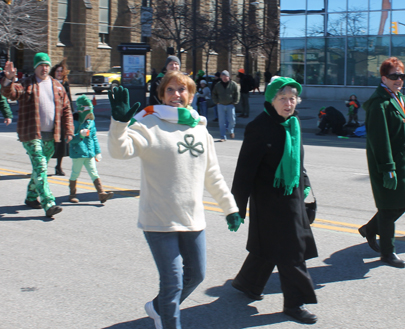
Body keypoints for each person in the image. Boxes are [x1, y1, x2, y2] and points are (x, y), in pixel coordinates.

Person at [107, 71, 243, 329]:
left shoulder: (200, 129)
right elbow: (119, 151)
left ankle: (158, 308)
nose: (176, 95)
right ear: (162, 94)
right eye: (170, 89)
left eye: (182, 90)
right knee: (173, 282)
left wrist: (230, 208)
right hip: (158, 218)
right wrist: (119, 123)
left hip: (192, 217)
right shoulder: (148, 122)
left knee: (196, 275)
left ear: (191, 96)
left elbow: (212, 175)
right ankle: (168, 320)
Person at [231, 77, 318, 324]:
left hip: (293, 195)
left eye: (292, 98)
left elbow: (297, 159)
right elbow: (244, 171)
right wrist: (237, 208)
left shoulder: (293, 123)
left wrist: (306, 183)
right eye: (282, 98)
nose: (288, 103)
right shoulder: (259, 127)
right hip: (270, 201)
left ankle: (247, 282)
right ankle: (295, 303)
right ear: (271, 100)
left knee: (270, 246)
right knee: (292, 251)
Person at [358, 57, 405, 268]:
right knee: (388, 208)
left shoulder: (399, 98)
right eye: (394, 76)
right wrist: (388, 169)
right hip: (389, 164)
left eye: (402, 76)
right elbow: (380, 140)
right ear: (384, 78)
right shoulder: (379, 103)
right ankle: (388, 252)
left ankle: (370, 228)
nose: (399, 80)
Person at [1, 53, 74, 218]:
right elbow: (10, 93)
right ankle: (49, 203)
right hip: (31, 134)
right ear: (35, 67)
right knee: (41, 167)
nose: (44, 68)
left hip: (51, 135)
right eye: (41, 65)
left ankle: (31, 197)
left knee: (39, 169)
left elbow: (67, 110)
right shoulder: (26, 83)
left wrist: (69, 130)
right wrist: (8, 80)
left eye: (47, 65)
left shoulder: (58, 86)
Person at [68, 95, 113, 204]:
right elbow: (69, 139)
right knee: (75, 173)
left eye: (90, 114)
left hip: (89, 153)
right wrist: (80, 135)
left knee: (94, 172)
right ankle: (72, 195)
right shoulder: (74, 122)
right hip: (78, 152)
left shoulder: (91, 123)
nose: (89, 116)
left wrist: (97, 152)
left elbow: (94, 138)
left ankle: (101, 194)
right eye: (88, 114)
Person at [49, 59, 75, 176]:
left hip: (62, 117)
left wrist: (72, 114)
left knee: (62, 144)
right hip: (51, 116)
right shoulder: (49, 82)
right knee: (48, 142)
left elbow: (69, 100)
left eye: (61, 71)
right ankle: (41, 165)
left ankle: (58, 166)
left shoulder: (64, 84)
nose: (59, 73)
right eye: (57, 71)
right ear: (53, 72)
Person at [211, 70, 239, 141]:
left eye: (225, 76)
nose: (224, 78)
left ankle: (231, 131)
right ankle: (222, 137)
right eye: (223, 77)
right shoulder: (218, 85)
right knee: (221, 122)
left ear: (228, 77)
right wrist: (216, 101)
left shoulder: (233, 84)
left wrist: (235, 102)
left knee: (232, 120)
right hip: (220, 105)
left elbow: (237, 93)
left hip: (230, 105)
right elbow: (214, 93)